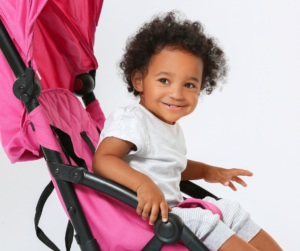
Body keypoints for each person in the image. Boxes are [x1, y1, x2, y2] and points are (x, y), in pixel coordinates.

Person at [92, 11, 282, 251]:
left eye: (189, 85)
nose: (177, 93)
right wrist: (142, 185)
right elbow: (103, 160)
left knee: (230, 209)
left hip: (175, 209)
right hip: (148, 217)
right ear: (139, 80)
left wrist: (206, 171)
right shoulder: (133, 118)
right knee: (204, 219)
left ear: (202, 88)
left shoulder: (169, 126)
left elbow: (169, 165)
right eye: (164, 80)